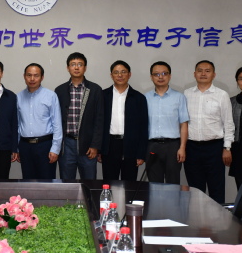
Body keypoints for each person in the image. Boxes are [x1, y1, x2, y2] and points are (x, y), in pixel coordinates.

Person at [183, 60, 234, 204]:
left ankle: (217, 219)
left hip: (214, 148)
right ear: (194, 74)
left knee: (216, 189)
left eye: (207, 71)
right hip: (191, 148)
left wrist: (227, 148)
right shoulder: (186, 94)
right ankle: (197, 218)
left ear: (214, 74)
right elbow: (182, 122)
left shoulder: (222, 95)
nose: (203, 74)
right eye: (200, 70)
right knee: (195, 190)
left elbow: (228, 123)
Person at [55, 52, 103, 180]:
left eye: (80, 64)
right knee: (67, 182)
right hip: (66, 145)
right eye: (73, 64)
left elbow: (99, 120)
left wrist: (95, 145)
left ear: (85, 68)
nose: (76, 67)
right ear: (68, 68)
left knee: (89, 182)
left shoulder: (95, 90)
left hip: (87, 145)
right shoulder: (60, 90)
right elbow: (56, 120)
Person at [100, 60, 149, 181]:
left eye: (123, 72)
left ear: (129, 74)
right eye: (116, 72)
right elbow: (98, 124)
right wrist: (99, 149)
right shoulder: (103, 96)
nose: (120, 75)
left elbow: (143, 127)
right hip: (109, 145)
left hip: (131, 146)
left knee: (129, 184)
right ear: (111, 75)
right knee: (110, 182)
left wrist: (141, 153)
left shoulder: (139, 98)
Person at [144, 61, 189, 184]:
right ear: (151, 77)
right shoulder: (145, 98)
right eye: (156, 74)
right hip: (152, 145)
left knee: (173, 183)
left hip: (172, 146)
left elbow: (184, 124)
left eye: (164, 73)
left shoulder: (179, 97)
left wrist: (182, 147)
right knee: (154, 184)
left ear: (170, 76)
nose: (160, 77)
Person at [17, 63, 62, 179]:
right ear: (24, 76)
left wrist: (55, 149)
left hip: (45, 145)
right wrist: (17, 148)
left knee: (47, 182)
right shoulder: (18, 97)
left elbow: (57, 124)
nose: (32, 79)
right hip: (25, 146)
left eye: (36, 75)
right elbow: (17, 124)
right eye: (29, 75)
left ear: (42, 77)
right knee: (27, 181)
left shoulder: (51, 96)